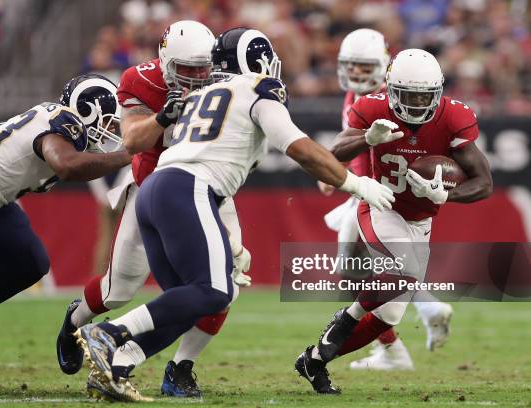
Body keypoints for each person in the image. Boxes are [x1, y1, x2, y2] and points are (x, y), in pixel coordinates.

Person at [74, 27, 394, 402]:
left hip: (156, 190)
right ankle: (110, 334)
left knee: (188, 300)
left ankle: (117, 368)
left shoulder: (204, 92)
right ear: (260, 62)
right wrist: (358, 185)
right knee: (215, 290)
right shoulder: (259, 89)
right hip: (188, 189)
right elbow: (301, 149)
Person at [57, 20, 251, 398]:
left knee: (222, 286)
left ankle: (178, 368)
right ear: (164, 63)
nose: (196, 77)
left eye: (202, 69)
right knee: (118, 290)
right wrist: (162, 117)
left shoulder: (225, 81)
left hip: (209, 190)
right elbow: (131, 140)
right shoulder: (141, 80)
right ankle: (75, 322)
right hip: (154, 189)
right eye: (187, 70)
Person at [295, 49, 492, 394]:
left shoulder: (454, 117)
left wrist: (447, 196)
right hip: (381, 204)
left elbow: (483, 183)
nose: (417, 103)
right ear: (389, 88)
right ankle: (341, 326)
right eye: (408, 94)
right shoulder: (371, 107)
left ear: (439, 91)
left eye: (424, 95)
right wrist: (366, 139)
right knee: (401, 274)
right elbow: (327, 158)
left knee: (387, 317)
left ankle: (314, 359)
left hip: (421, 219)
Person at [0, 74, 131, 371]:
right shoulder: (65, 126)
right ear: (86, 113)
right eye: (109, 122)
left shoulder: (53, 119)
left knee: (29, 261)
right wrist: (127, 156)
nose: (113, 132)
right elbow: (66, 166)